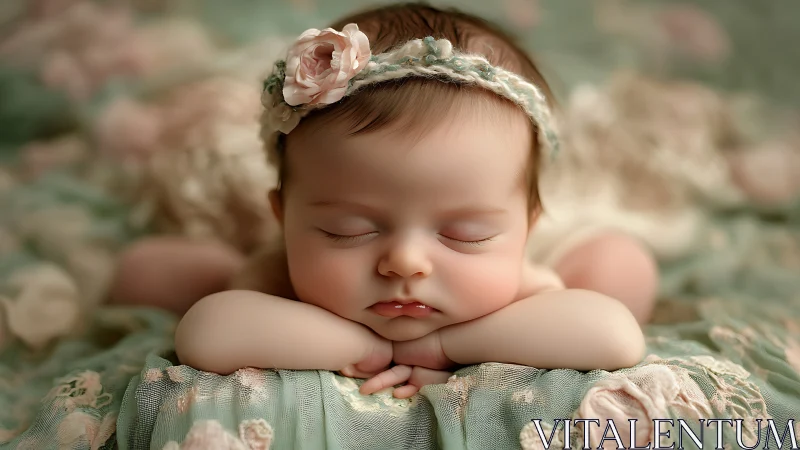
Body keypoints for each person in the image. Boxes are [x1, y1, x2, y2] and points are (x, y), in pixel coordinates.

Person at [112, 3, 655, 398]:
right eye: (347, 229)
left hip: (547, 267)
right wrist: (368, 348)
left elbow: (612, 335)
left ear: (526, 229)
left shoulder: (526, 289)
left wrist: (442, 347)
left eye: (465, 234)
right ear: (285, 220)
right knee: (158, 271)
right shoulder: (274, 278)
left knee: (619, 263)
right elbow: (208, 332)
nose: (405, 263)